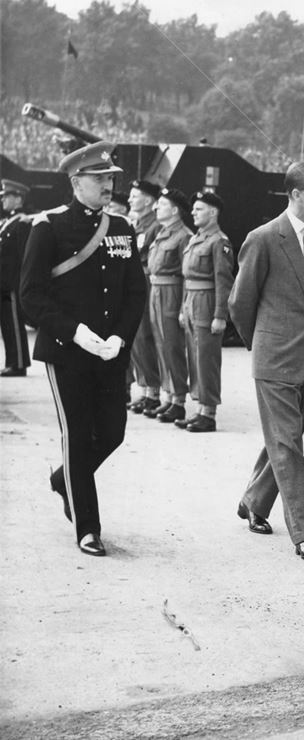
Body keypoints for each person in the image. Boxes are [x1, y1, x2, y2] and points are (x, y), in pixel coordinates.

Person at [19, 141, 146, 556]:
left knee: (111, 432)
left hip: (110, 352)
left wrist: (120, 337)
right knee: (76, 435)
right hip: (67, 351)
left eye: (111, 178)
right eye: (100, 179)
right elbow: (31, 296)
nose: (108, 185)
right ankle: (88, 528)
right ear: (76, 182)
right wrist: (74, 331)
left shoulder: (123, 228)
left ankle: (63, 480)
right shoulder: (48, 226)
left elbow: (134, 291)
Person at [228, 162, 304, 561]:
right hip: (275, 359)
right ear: (295, 195)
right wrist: (263, 342)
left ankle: (255, 499)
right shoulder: (264, 238)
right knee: (289, 444)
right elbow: (241, 302)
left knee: (282, 441)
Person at [177, 191, 234, 433]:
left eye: (199, 209)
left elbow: (224, 281)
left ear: (213, 212)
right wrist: (182, 307)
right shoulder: (196, 238)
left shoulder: (219, 241)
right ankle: (200, 409)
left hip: (207, 303)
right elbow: (186, 278)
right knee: (194, 357)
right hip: (192, 301)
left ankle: (209, 413)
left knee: (206, 359)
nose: (193, 213)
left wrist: (220, 315)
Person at [144, 188, 192, 424]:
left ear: (174, 210)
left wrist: (184, 306)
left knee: (172, 346)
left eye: (161, 204)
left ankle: (179, 401)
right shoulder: (163, 232)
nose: (156, 207)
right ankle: (168, 396)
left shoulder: (183, 236)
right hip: (157, 290)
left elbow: (187, 276)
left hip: (172, 292)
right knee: (161, 345)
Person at [125, 179, 163, 415]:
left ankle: (153, 392)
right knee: (136, 339)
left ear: (148, 201)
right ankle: (146, 388)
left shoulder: (155, 226)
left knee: (146, 337)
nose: (130, 200)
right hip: (135, 282)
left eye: (135, 196)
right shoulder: (136, 224)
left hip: (148, 283)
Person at [1, 179, 33, 377]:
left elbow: (21, 255)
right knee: (6, 324)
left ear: (18, 198)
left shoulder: (22, 223)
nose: (3, 200)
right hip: (4, 281)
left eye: (7, 197)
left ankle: (19, 363)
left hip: (11, 281)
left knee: (13, 323)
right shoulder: (8, 222)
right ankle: (13, 362)